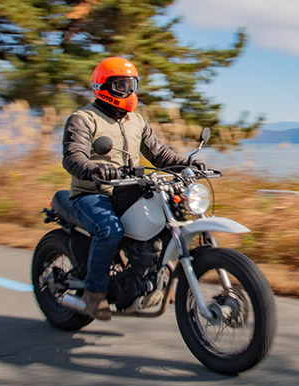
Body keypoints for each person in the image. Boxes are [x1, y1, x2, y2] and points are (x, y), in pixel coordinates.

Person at [62, 56, 204, 320]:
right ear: (102, 87)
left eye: (132, 85)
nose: (128, 92)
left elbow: (160, 155)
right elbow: (73, 157)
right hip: (92, 193)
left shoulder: (136, 121)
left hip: (129, 190)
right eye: (121, 86)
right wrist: (95, 168)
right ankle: (94, 295)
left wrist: (188, 164)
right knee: (110, 230)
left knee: (166, 219)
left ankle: (152, 278)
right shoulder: (84, 118)